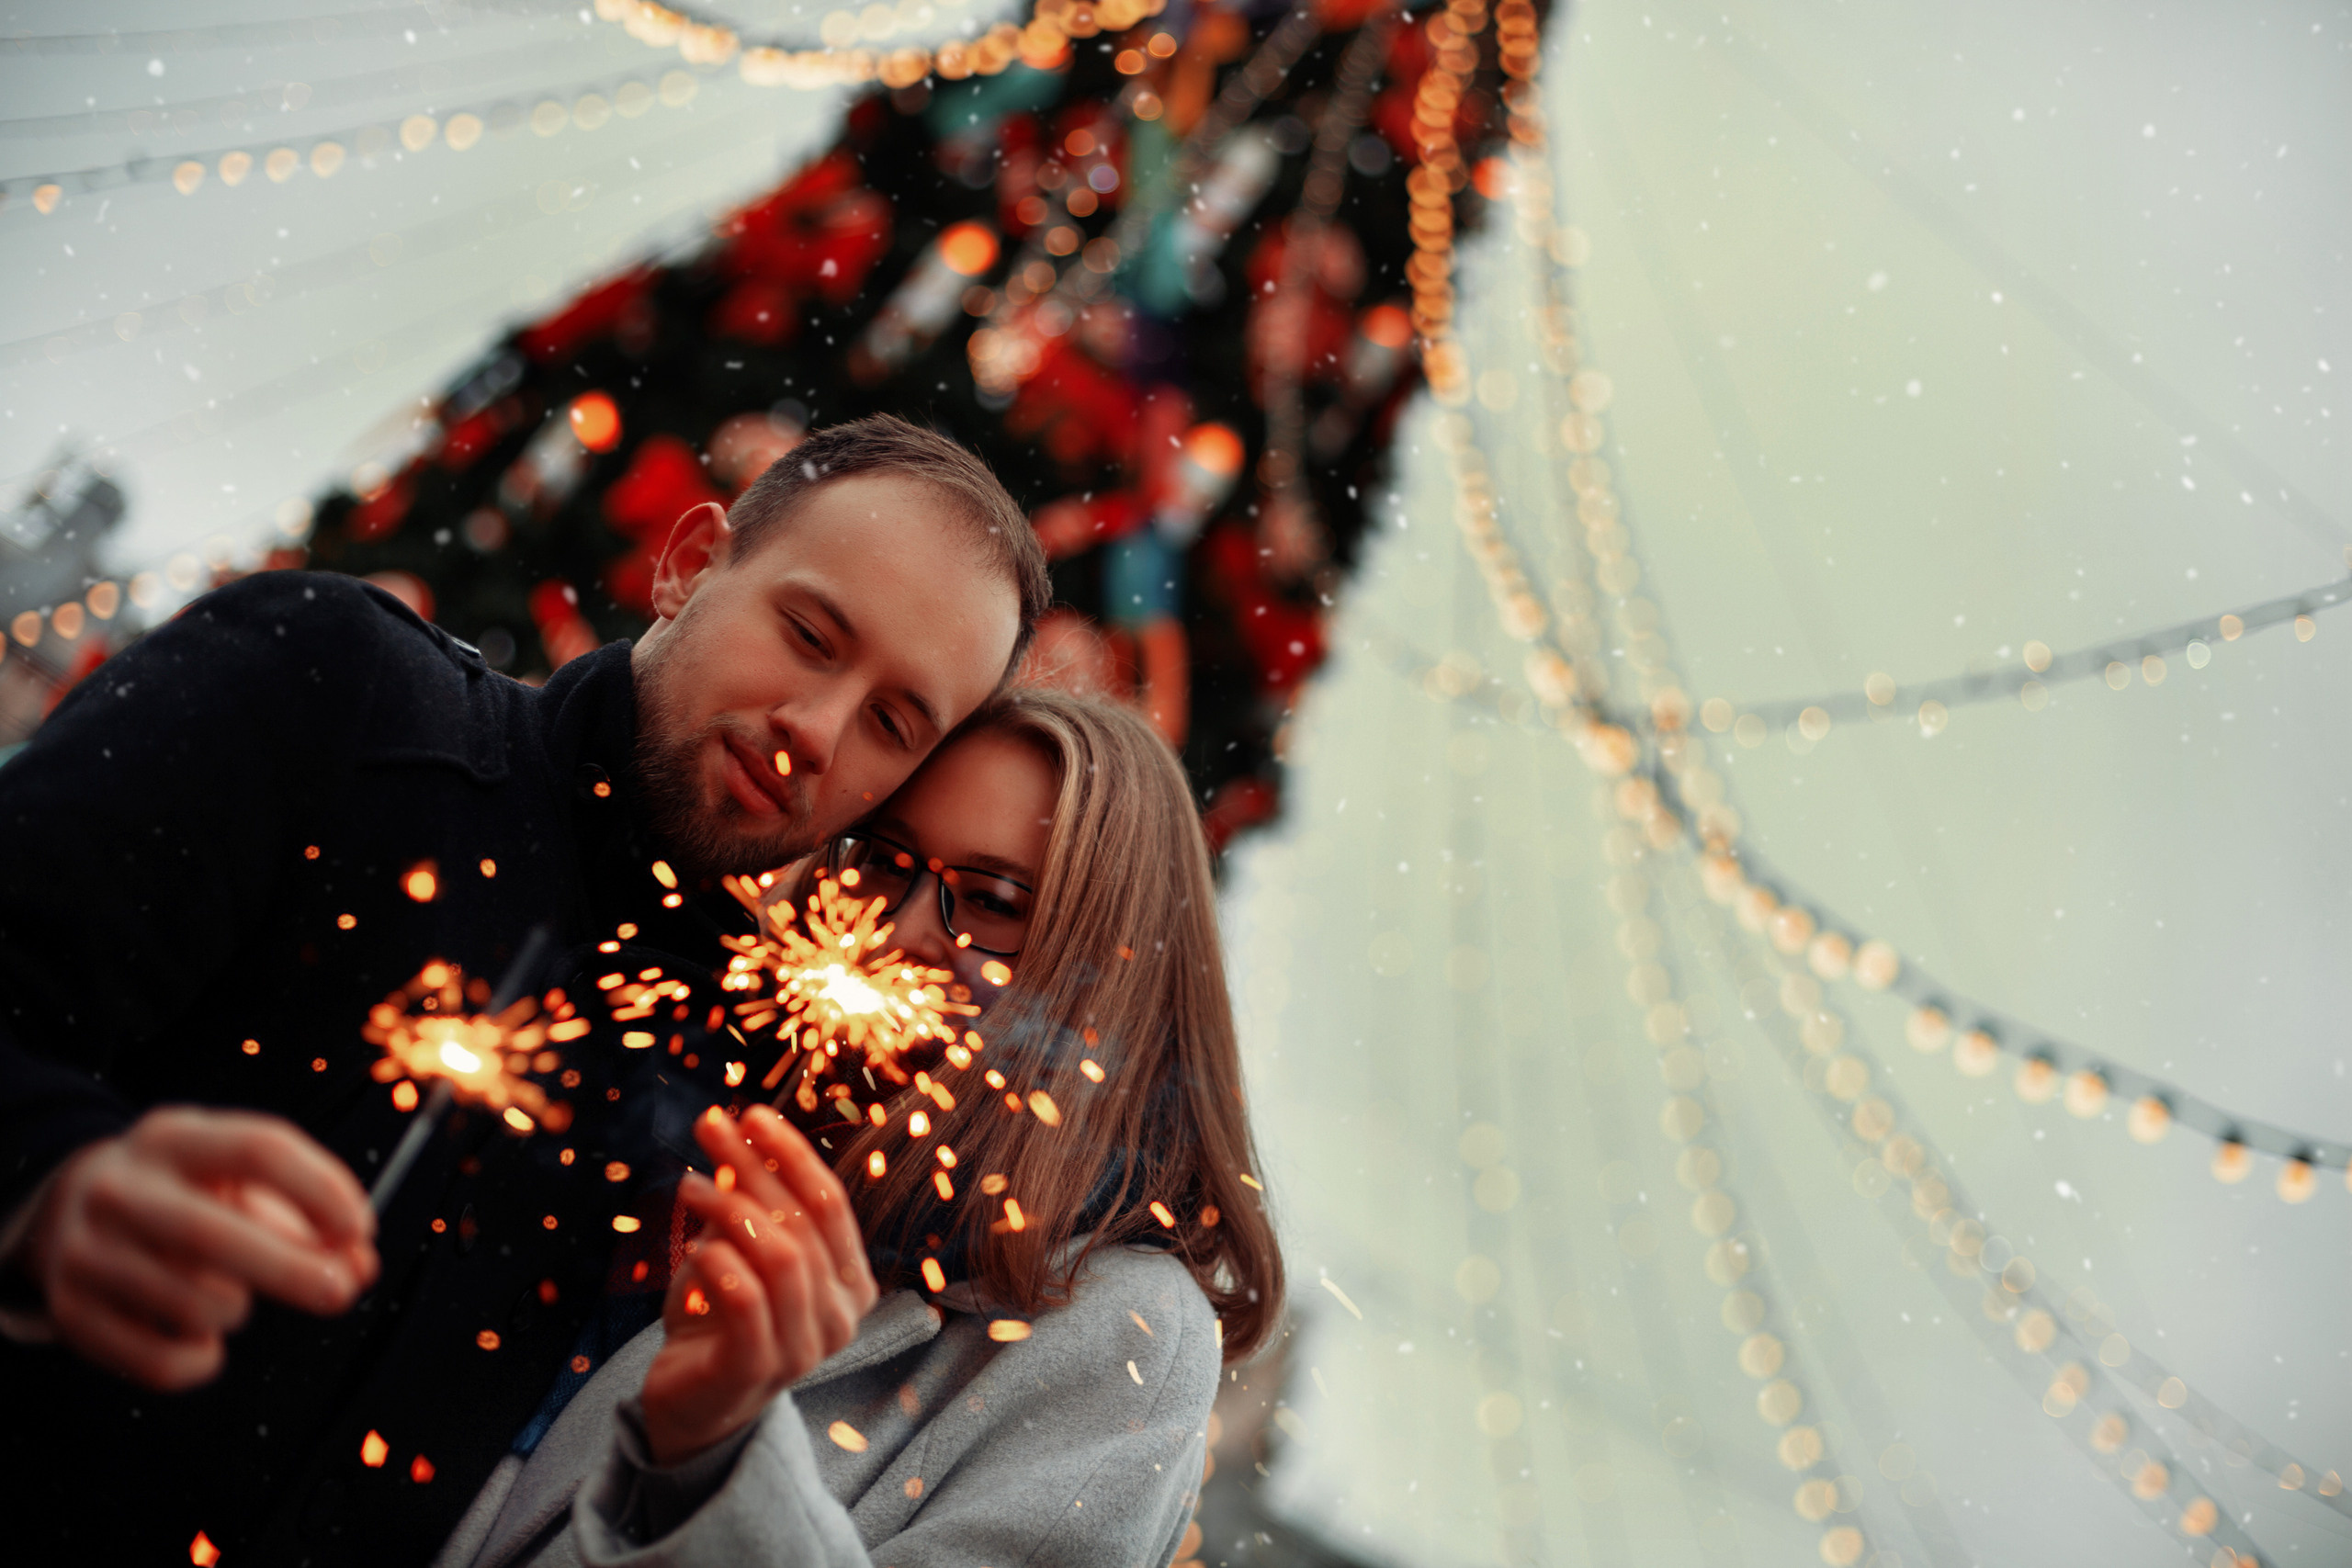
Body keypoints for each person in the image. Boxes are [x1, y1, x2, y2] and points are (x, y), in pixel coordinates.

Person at [0, 414, 1052, 1564]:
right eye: (808, 634)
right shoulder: (336, 691)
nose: (815, 730)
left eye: (894, 724)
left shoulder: (737, 1084)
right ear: (689, 564)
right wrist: (46, 1181)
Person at [431, 686, 1283, 1568]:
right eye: (881, 858)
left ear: (1102, 977)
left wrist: (717, 1460)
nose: (903, 930)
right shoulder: (677, 1092)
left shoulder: (1118, 1324)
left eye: (990, 898)